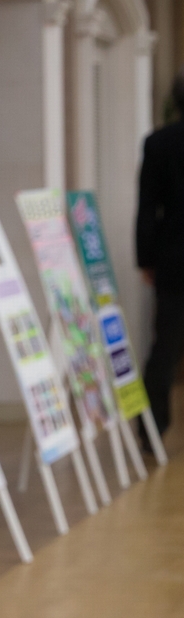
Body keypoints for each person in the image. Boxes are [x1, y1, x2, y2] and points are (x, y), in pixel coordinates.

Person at [136, 72, 184, 447]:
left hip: (174, 259)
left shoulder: (159, 143)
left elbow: (147, 208)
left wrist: (146, 259)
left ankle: (152, 431)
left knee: (164, 346)